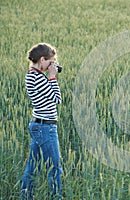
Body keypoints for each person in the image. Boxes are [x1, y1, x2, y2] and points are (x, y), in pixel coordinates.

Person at [21, 43, 63, 199]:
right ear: (42, 59)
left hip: (40, 125)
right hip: (45, 127)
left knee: (32, 167)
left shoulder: (33, 75)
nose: (52, 65)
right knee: (55, 168)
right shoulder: (37, 77)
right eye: (50, 62)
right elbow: (57, 98)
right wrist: (52, 77)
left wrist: (49, 76)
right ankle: (55, 197)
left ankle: (26, 196)